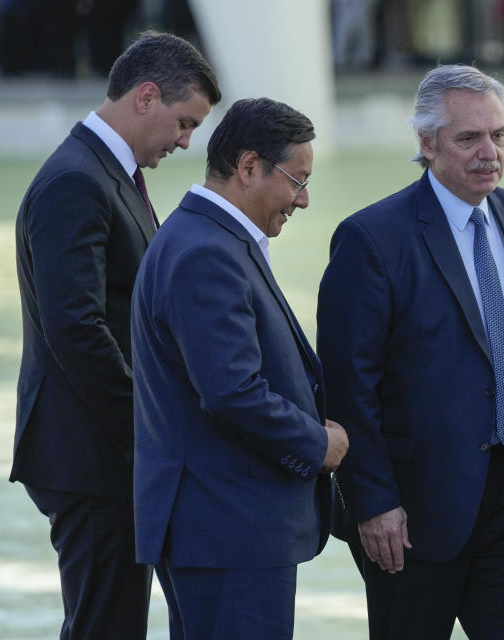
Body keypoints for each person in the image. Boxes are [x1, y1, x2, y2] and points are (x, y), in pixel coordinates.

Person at [317, 64, 504, 639]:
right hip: (414, 516)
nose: (489, 152)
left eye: (499, 135)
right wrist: (373, 502)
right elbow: (347, 387)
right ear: (426, 144)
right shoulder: (371, 240)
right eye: (469, 139)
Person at [12, 31, 219, 639]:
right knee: (106, 627)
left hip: (101, 448)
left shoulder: (103, 171)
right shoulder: (77, 181)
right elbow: (75, 328)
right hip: (91, 455)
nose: (185, 141)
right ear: (147, 97)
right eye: (184, 123)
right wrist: (148, 431)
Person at [131, 97, 349, 639]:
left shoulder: (201, 238)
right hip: (228, 529)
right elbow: (232, 391)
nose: (302, 200)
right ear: (249, 167)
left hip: (218, 527)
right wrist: (317, 444)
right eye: (296, 180)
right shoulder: (207, 252)